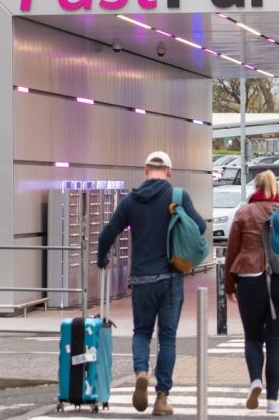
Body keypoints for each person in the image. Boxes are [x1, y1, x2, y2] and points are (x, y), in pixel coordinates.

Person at [98, 150, 206, 416]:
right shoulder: (177, 196)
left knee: (142, 332)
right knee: (167, 338)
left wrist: (102, 260)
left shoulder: (131, 201)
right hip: (171, 277)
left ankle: (141, 372)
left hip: (142, 278)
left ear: (145, 170)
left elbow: (107, 233)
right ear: (169, 172)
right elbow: (200, 227)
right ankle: (161, 397)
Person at [223, 170, 279, 414]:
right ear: (275, 188)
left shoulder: (244, 212)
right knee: (275, 343)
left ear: (256, 187)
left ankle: (255, 381)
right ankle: (273, 402)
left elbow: (231, 252)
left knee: (253, 337)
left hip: (250, 280)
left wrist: (229, 286)